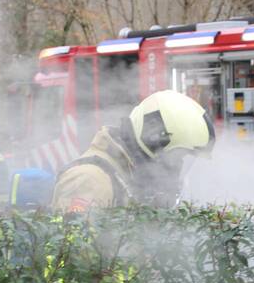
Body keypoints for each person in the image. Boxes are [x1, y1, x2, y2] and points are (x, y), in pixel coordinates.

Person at [51, 90, 215, 213]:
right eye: (177, 156)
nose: (177, 167)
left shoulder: (131, 176)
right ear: (153, 140)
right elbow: (72, 247)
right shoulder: (89, 180)